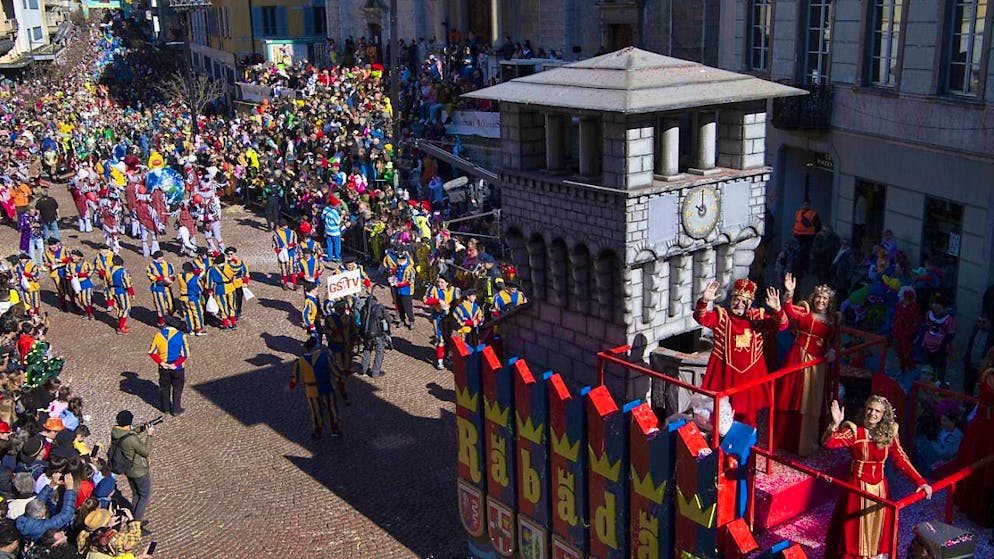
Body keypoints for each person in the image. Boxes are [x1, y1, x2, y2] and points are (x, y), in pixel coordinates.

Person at [823, 396, 931, 559]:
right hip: (856, 489)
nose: (872, 413)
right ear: (865, 409)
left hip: (880, 489)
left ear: (883, 415)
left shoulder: (888, 433)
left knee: (879, 532)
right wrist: (835, 424)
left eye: (877, 411)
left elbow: (900, 459)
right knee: (853, 533)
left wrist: (920, 482)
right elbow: (830, 442)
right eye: (870, 409)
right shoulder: (854, 432)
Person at [694, 278, 787, 426]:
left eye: (744, 301)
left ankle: (745, 447)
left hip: (750, 376)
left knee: (748, 420)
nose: (739, 304)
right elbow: (702, 318)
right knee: (721, 418)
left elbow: (782, 325)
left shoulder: (757, 318)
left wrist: (777, 310)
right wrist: (704, 301)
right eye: (736, 300)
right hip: (725, 374)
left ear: (750, 303)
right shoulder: (721, 316)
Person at [773, 274, 839, 456]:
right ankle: (787, 442)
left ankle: (807, 444)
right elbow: (789, 309)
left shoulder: (833, 321)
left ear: (829, 302)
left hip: (819, 366)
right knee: (792, 397)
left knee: (813, 403)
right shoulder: (805, 314)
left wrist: (832, 351)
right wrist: (790, 291)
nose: (821, 301)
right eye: (818, 297)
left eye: (825, 298)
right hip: (799, 359)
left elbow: (835, 341)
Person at [952, 363, 994, 526]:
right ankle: (974, 506)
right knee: (978, 463)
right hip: (985, 428)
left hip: (987, 427)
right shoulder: (990, 375)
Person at [109, 411, 153, 536]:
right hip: (139, 471)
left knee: (136, 495)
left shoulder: (115, 431)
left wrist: (142, 427)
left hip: (128, 470)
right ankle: (136, 525)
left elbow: (130, 430)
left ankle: (134, 517)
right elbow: (145, 451)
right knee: (144, 496)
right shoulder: (131, 439)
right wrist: (149, 436)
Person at [289, 337, 342, 439]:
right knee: (331, 409)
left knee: (316, 411)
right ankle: (335, 430)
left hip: (311, 390)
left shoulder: (300, 361)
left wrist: (291, 385)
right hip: (326, 387)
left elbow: (295, 379)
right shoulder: (325, 357)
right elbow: (337, 372)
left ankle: (317, 432)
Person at [15, 473, 77, 543]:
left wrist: (51, 485)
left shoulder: (21, 520)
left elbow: (38, 502)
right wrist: (69, 489)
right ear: (40, 516)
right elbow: (66, 514)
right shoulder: (43, 527)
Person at [148, 326, 188, 416]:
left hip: (163, 367)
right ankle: (176, 408)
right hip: (177, 368)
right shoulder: (181, 335)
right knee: (177, 387)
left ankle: (165, 408)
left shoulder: (158, 335)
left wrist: (161, 363)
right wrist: (175, 364)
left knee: (164, 387)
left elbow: (152, 352)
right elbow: (185, 354)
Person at [917, 294, 956, 384]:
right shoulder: (929, 314)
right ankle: (926, 383)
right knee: (928, 365)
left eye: (939, 305)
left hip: (940, 347)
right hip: (928, 344)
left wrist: (942, 343)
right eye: (935, 304)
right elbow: (926, 327)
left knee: (940, 367)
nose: (936, 308)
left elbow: (951, 334)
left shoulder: (949, 319)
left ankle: (939, 385)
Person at [423, 276, 460, 369]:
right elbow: (426, 300)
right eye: (439, 282)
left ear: (447, 283)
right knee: (440, 338)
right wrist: (438, 301)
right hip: (438, 316)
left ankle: (446, 356)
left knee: (447, 337)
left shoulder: (453, 290)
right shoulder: (433, 289)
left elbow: (459, 301)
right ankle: (440, 360)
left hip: (449, 317)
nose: (440, 284)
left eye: (442, 282)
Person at [359, 293, 389, 378]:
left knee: (366, 350)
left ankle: (364, 369)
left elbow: (361, 321)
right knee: (379, 352)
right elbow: (388, 319)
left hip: (366, 334)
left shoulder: (363, 308)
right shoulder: (379, 307)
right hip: (377, 334)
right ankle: (375, 372)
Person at [963, 313, 992, 396]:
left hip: (982, 367)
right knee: (967, 386)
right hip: (970, 363)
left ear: (989, 323)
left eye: (984, 322)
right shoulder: (975, 330)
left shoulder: (991, 335)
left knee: (980, 390)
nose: (981, 324)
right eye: (979, 321)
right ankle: (967, 406)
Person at [204, 255, 236, 330]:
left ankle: (225, 325)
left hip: (219, 289)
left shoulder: (211, 270)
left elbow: (209, 283)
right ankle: (233, 323)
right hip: (230, 287)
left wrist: (209, 290)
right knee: (232, 305)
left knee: (222, 307)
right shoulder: (229, 266)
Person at [144, 251, 175, 327]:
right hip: (158, 288)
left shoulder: (167, 264)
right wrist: (163, 279)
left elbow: (172, 273)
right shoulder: (151, 266)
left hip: (167, 287)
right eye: (160, 257)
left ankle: (168, 319)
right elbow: (152, 277)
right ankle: (161, 322)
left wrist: (170, 279)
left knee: (170, 304)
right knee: (160, 305)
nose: (162, 258)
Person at [792, 199, 821, 280]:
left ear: (809, 205)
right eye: (804, 204)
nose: (805, 206)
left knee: (805, 253)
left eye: (807, 204)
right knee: (798, 253)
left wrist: (813, 234)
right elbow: (796, 223)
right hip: (798, 236)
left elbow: (818, 226)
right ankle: (801, 267)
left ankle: (804, 268)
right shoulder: (798, 212)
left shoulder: (813, 214)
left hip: (808, 237)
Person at [108, 256, 135, 335]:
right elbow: (127, 283)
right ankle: (121, 327)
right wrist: (132, 293)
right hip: (121, 291)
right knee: (126, 308)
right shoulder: (122, 271)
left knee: (120, 308)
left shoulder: (109, 269)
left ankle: (122, 324)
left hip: (112, 290)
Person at [177, 262, 206, 336]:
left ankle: (190, 329)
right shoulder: (194, 278)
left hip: (183, 298)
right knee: (197, 313)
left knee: (187, 314)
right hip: (193, 297)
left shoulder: (179, 276)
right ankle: (199, 329)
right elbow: (200, 288)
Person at [43, 238, 71, 312]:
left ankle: (73, 304)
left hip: (65, 271)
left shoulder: (64, 249)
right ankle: (64, 305)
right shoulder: (46, 252)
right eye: (50, 245)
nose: (52, 247)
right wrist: (50, 265)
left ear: (57, 244)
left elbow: (70, 259)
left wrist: (61, 261)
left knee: (70, 289)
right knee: (60, 289)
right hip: (55, 272)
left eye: (53, 245)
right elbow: (45, 263)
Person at [391, 252, 416, 329]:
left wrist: (400, 284)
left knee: (407, 307)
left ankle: (411, 321)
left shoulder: (409, 269)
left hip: (406, 291)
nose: (399, 261)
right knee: (400, 306)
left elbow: (410, 281)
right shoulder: (398, 267)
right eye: (398, 259)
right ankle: (402, 319)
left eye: (400, 259)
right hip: (398, 290)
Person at [68, 250, 95, 320]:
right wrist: (71, 277)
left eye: (75, 256)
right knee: (81, 299)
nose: (73, 257)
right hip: (76, 284)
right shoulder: (70, 264)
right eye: (72, 256)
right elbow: (67, 273)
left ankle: (90, 313)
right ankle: (87, 311)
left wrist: (80, 274)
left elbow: (90, 273)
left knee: (85, 299)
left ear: (79, 257)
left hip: (86, 283)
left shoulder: (87, 264)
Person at [223, 247, 249, 319]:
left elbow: (245, 272)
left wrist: (245, 282)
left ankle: (238, 311)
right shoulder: (225, 263)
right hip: (229, 284)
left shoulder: (240, 262)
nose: (230, 256)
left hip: (238, 283)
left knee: (239, 298)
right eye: (228, 254)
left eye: (231, 254)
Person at [273, 220, 300, 290]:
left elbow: (295, 243)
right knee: (284, 269)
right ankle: (286, 284)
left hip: (290, 252)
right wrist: (279, 251)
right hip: (283, 254)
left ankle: (294, 284)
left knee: (291, 269)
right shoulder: (276, 234)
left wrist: (290, 246)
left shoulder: (291, 232)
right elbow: (275, 246)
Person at [320, 197, 342, 262]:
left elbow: (322, 217)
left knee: (329, 244)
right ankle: (337, 257)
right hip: (335, 231)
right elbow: (338, 222)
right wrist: (342, 216)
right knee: (337, 245)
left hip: (327, 230)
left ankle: (329, 257)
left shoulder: (325, 209)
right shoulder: (334, 212)